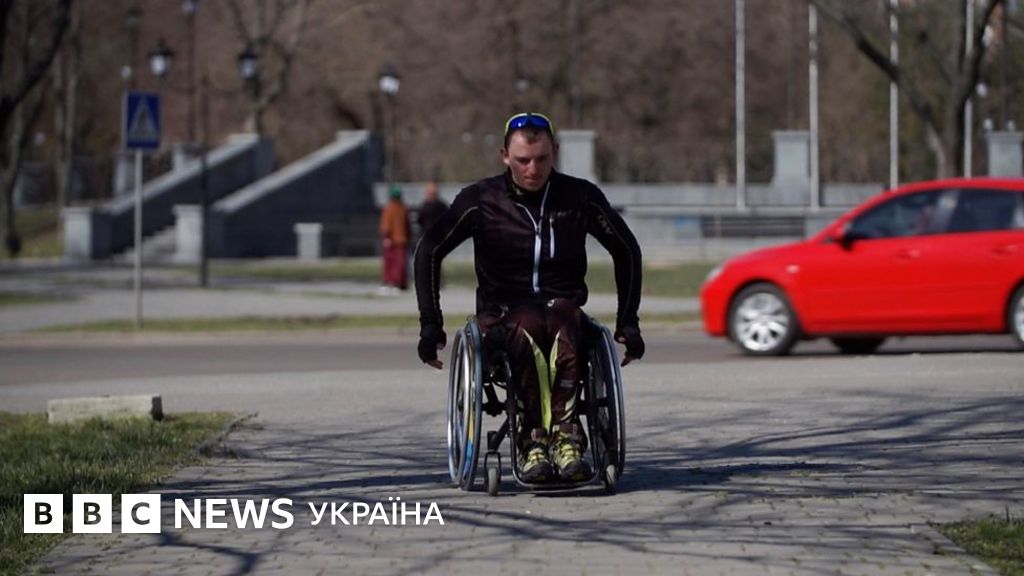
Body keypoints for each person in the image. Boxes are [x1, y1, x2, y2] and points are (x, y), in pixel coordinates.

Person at [414, 112, 644, 484]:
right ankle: (532, 441)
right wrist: (430, 324)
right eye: (522, 160)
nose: (532, 169)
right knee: (527, 324)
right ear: (505, 156)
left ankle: (566, 439)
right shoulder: (481, 200)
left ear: (555, 152)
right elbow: (429, 250)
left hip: (563, 309)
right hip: (502, 314)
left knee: (564, 321)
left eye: (541, 159)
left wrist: (628, 321)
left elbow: (627, 249)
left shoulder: (580, 197)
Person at [380, 185, 411, 292]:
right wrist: (387, 237)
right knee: (392, 263)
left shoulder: (402, 208)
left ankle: (399, 282)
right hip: (393, 240)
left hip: (400, 240)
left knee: (400, 264)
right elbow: (386, 225)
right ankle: (390, 282)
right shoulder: (390, 208)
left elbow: (406, 225)